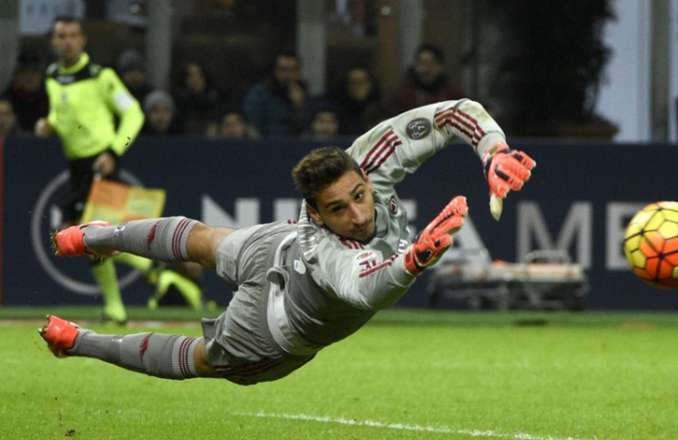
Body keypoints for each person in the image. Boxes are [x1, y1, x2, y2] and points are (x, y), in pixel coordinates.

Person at [39, 98, 535, 385]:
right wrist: (415, 260)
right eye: (339, 209)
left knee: (208, 241)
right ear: (315, 213)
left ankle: (86, 292)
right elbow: (365, 289)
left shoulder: (367, 158)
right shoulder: (325, 247)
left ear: (364, 174)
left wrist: (493, 152)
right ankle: (93, 270)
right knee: (205, 353)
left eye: (360, 195)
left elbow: (456, 113)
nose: (359, 215)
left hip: (283, 281)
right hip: (274, 324)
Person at [34, 16, 145, 323]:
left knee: (87, 236)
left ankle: (117, 305)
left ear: (82, 40)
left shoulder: (101, 76)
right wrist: (49, 124)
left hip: (101, 162)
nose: (66, 41)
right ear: (54, 41)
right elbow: (60, 114)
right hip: (76, 166)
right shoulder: (53, 75)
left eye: (72, 35)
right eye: (61, 36)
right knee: (80, 237)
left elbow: (134, 114)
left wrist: (114, 150)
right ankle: (153, 271)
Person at [242, 50, 308, 136]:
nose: (288, 75)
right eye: (283, 70)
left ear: (298, 71)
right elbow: (253, 126)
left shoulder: (303, 93)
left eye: (292, 70)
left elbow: (306, 129)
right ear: (275, 70)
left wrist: (299, 107)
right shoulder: (260, 93)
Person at [390, 44, 464, 115]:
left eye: (431, 64)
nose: (426, 69)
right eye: (422, 63)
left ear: (441, 67)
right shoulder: (402, 98)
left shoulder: (454, 98)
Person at [2, 50, 49, 133]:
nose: (29, 77)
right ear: (16, 76)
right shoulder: (7, 99)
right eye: (24, 72)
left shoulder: (49, 99)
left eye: (34, 72)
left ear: (41, 76)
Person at [334, 66, 385, 135]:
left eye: (362, 83)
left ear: (371, 84)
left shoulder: (381, 109)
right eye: (353, 83)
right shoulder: (337, 110)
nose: (358, 87)